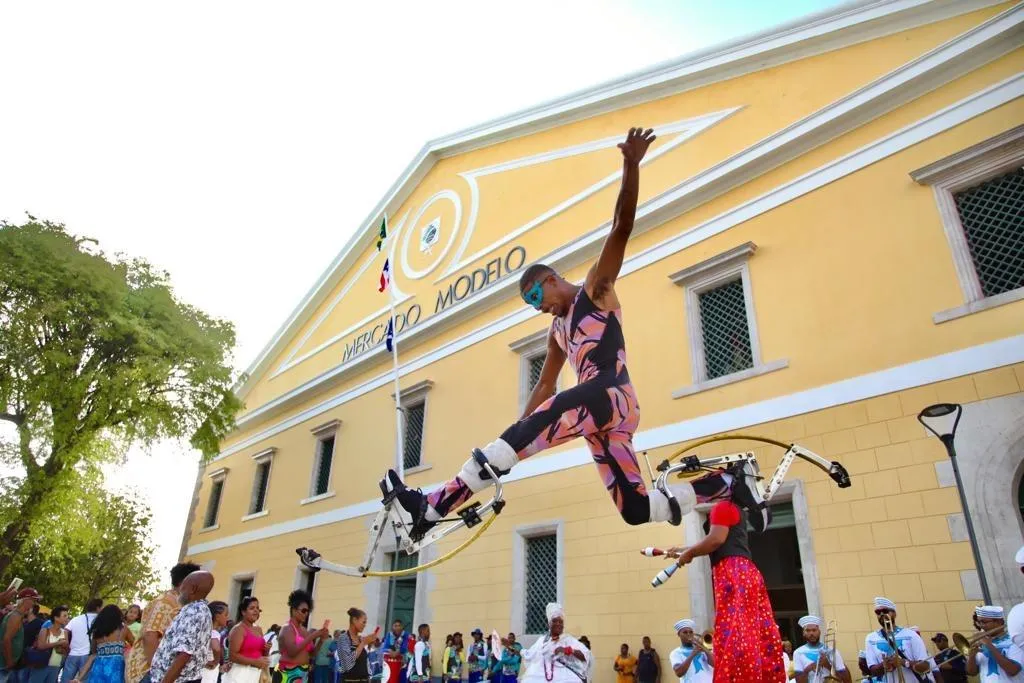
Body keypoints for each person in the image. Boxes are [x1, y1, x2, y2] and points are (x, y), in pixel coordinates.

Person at [381, 127, 770, 540]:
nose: (539, 306)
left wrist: (631, 165)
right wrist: (518, 427)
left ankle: (432, 505)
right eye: (531, 305)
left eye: (537, 295)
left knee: (550, 415)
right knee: (635, 509)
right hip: (604, 417)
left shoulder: (595, 290)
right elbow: (547, 383)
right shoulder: (556, 331)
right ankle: (728, 483)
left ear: (552, 278)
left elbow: (621, 226)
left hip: (610, 393)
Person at [669, 495, 784, 683]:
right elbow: (716, 543)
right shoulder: (733, 507)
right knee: (753, 632)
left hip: (733, 572)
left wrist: (690, 553)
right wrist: (684, 550)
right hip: (744, 572)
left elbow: (715, 540)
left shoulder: (723, 507)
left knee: (735, 634)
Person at [126, 563, 201, 683]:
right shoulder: (166, 603)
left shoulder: (179, 603)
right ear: (186, 582)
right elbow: (150, 636)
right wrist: (160, 674)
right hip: (148, 672)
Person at [146, 571, 216, 683]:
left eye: (183, 586)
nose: (180, 590)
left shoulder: (194, 611)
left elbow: (184, 654)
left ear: (192, 589)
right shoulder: (197, 610)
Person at [863, 598, 932, 682]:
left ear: (894, 614)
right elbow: (873, 670)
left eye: (885, 611)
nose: (881, 614)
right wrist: (883, 665)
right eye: (878, 612)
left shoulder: (911, 635)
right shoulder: (870, 638)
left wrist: (903, 662)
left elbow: (926, 666)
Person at [520, 605, 589, 683]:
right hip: (540, 677)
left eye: (561, 622)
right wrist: (512, 648)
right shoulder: (541, 641)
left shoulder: (568, 640)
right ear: (549, 624)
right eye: (555, 621)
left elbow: (584, 655)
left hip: (566, 678)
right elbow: (529, 654)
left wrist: (567, 650)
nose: (558, 624)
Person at [277, 590, 330, 683]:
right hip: (288, 672)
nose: (306, 614)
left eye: (308, 611)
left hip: (303, 673)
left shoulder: (304, 630)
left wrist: (321, 640)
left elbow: (312, 654)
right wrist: (312, 636)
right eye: (303, 610)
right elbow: (292, 652)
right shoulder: (287, 628)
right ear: (293, 610)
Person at [69, 606, 127, 683]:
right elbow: (136, 645)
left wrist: (78, 678)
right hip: (116, 670)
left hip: (98, 669)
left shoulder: (97, 632)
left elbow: (93, 655)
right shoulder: (123, 629)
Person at [965, 606, 1023, 682]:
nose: (981, 626)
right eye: (979, 622)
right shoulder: (980, 642)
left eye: (984, 622)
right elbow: (972, 673)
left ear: (1000, 622)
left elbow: (1013, 670)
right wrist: (971, 656)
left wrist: (988, 645)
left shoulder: (1014, 641)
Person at [1, 589, 43, 683]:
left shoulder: (17, 615)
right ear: (25, 600)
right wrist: (9, 661)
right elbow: (6, 640)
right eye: (33, 600)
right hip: (4, 665)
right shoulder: (15, 616)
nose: (34, 604)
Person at [224, 597, 270, 683]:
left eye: (257, 608)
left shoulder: (258, 629)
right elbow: (232, 655)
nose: (256, 611)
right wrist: (255, 662)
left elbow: (260, 654)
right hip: (240, 674)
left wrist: (266, 650)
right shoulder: (238, 629)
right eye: (252, 608)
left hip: (255, 675)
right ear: (243, 612)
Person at [791, 616, 848, 683]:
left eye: (814, 630)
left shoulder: (832, 650)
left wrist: (827, 664)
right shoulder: (798, 653)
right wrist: (808, 669)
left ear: (819, 632)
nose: (811, 633)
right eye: (808, 630)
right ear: (803, 633)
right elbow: (799, 681)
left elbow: (846, 678)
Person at [64, 598, 103, 683]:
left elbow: (66, 630)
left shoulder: (76, 619)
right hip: (88, 656)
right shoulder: (100, 621)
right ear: (98, 608)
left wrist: (66, 643)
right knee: (84, 680)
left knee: (66, 680)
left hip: (72, 654)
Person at [336, 608, 377, 683]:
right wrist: (363, 643)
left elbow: (363, 660)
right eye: (363, 622)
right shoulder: (343, 638)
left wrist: (369, 645)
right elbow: (347, 664)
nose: (365, 625)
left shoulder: (360, 639)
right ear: (354, 620)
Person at [30, 605, 69, 683]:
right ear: (56, 618)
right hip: (42, 664)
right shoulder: (45, 630)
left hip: (55, 665)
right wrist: (58, 643)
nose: (67, 618)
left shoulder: (64, 632)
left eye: (67, 616)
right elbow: (40, 646)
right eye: (64, 616)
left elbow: (65, 652)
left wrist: (64, 647)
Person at [202, 603, 229, 683]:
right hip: (209, 671)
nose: (228, 617)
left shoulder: (204, 631)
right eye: (226, 615)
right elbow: (216, 648)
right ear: (217, 617)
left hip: (203, 668)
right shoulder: (214, 632)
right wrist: (215, 662)